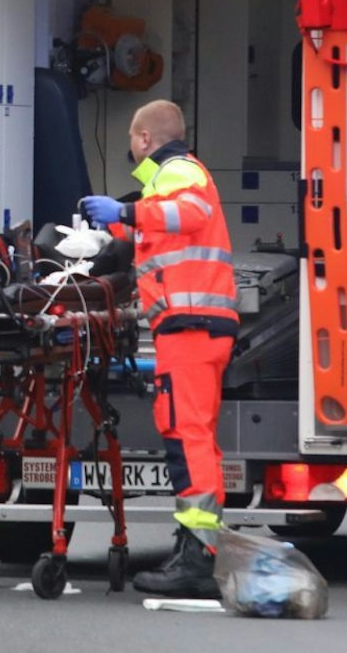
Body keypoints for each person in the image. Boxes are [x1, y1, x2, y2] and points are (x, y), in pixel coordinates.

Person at [80, 99, 236, 596]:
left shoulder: (177, 171)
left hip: (191, 326)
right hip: (188, 327)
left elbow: (190, 213)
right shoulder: (165, 181)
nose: (130, 147)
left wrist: (123, 210)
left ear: (145, 139)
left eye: (132, 139)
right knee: (188, 433)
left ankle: (196, 558)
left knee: (188, 435)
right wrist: (119, 225)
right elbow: (158, 235)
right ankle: (195, 547)